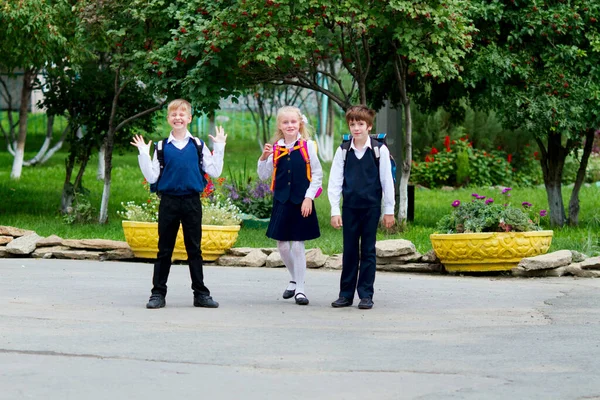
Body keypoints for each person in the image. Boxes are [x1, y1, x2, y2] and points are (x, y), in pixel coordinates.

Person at [131, 99, 227, 309]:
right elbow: (152, 177)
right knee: (164, 249)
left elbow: (215, 172)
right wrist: (143, 154)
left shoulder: (198, 145)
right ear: (168, 119)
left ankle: (201, 294)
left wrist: (219, 146)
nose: (178, 117)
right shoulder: (161, 147)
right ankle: (157, 294)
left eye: (182, 114)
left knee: (194, 249)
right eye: (173, 114)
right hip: (169, 203)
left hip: (192, 202)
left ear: (189, 118)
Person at [328, 105, 395, 310]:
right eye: (352, 124)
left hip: (371, 207)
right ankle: (345, 294)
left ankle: (366, 294)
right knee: (349, 250)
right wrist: (335, 210)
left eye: (360, 124)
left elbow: (386, 180)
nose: (356, 128)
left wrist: (389, 210)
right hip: (350, 207)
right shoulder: (344, 150)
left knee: (368, 250)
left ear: (369, 126)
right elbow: (335, 182)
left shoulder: (378, 149)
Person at [257, 106, 323, 306]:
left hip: (301, 201)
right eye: (285, 122)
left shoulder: (308, 146)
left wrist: (309, 197)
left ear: (299, 123)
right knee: (282, 245)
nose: (290, 125)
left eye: (293, 122)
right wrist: (263, 158)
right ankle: (293, 278)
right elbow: (264, 175)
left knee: (298, 245)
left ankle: (300, 289)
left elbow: (318, 175)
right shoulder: (276, 147)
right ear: (280, 125)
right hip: (282, 201)